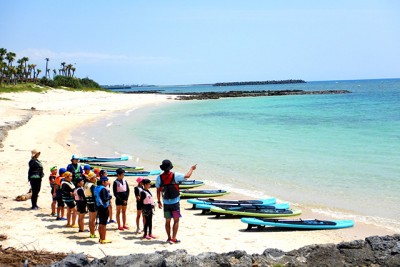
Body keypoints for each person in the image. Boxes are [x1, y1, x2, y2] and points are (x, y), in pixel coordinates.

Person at [156, 159, 197, 244]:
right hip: (175, 203)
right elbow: (187, 176)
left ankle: (168, 238)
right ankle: (174, 238)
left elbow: (158, 189)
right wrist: (192, 169)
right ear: (170, 167)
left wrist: (159, 201)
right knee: (176, 220)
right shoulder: (175, 175)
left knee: (167, 221)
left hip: (166, 202)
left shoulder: (159, 178)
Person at [94, 176, 112, 244]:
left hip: (98, 206)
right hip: (104, 207)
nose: (107, 182)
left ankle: (101, 238)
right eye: (106, 181)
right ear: (103, 182)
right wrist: (109, 197)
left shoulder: (96, 188)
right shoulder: (103, 189)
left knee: (100, 223)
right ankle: (103, 239)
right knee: (103, 224)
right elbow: (104, 199)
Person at [84, 171, 98, 238]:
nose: (96, 179)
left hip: (88, 202)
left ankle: (91, 233)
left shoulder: (86, 184)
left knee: (90, 219)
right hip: (92, 203)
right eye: (94, 177)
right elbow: (94, 194)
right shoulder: (92, 185)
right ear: (91, 178)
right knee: (93, 219)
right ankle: (92, 233)